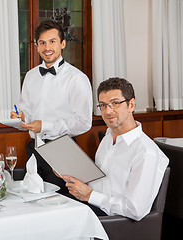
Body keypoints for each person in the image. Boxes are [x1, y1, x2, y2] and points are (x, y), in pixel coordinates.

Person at [60, 77, 169, 221]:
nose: (108, 111)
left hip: (112, 221)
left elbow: (135, 209)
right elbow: (102, 183)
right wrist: (68, 172)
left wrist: (90, 195)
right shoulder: (108, 137)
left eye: (115, 103)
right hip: (91, 206)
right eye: (103, 105)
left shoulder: (145, 153)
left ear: (131, 104)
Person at [10, 20, 93, 190]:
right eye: (42, 42)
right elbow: (26, 109)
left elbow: (84, 122)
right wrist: (21, 116)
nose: (47, 47)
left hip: (62, 150)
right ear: (36, 46)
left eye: (52, 41)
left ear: (62, 44)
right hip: (34, 148)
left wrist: (45, 126)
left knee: (60, 201)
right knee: (33, 198)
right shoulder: (31, 76)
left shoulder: (77, 79)